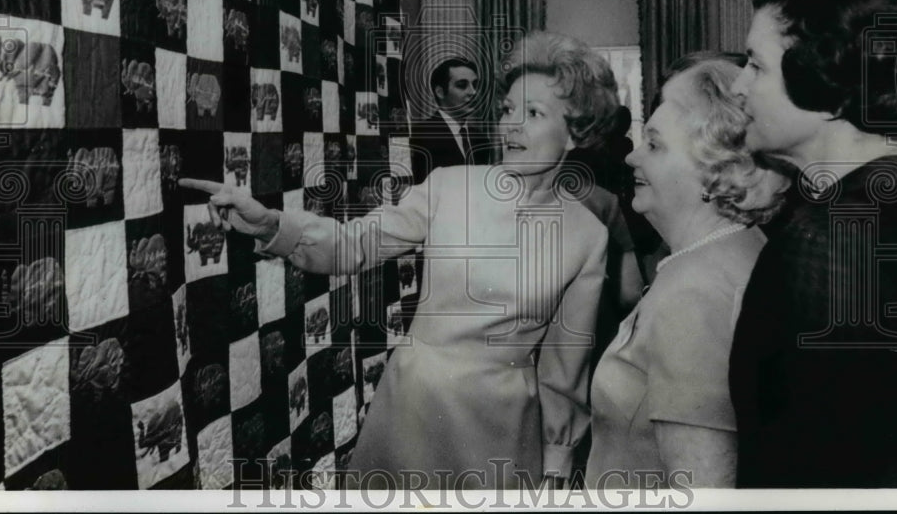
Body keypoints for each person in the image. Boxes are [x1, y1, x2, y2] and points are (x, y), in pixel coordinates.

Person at [181, 32, 620, 490]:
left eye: (533, 114)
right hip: (413, 411)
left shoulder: (587, 236)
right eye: (508, 110)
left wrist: (557, 463)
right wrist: (271, 224)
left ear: (576, 131)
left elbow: (564, 368)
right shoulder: (449, 186)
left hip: (502, 430)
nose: (511, 127)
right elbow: (356, 244)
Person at [727, 0, 897, 487]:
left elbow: (811, 465)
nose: (739, 87)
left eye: (756, 64)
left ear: (825, 71)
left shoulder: (830, 238)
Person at [586, 54, 789, 489]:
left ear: (714, 170)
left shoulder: (694, 293)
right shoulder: (734, 249)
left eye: (655, 144)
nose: (632, 158)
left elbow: (702, 489)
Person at [409, 56, 494, 184]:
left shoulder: (481, 140)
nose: (473, 92)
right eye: (462, 85)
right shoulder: (419, 136)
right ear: (440, 92)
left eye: (475, 85)